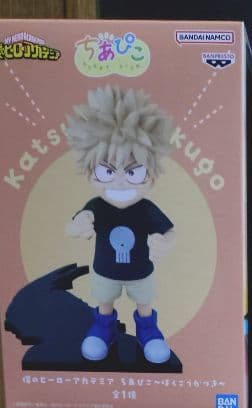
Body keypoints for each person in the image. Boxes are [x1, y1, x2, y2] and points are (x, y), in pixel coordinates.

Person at [65, 85, 176, 363]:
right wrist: (79, 225)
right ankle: (104, 329)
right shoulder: (97, 206)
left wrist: (164, 243)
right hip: (105, 272)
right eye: (106, 171)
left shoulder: (146, 209)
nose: (119, 181)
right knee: (104, 303)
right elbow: (74, 225)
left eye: (133, 172)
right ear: (90, 170)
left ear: (151, 173)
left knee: (144, 305)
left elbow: (169, 231)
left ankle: (148, 331)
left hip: (141, 273)